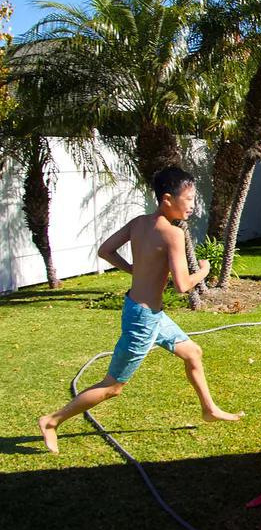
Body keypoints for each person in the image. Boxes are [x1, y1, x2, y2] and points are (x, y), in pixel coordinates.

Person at [38, 166, 242, 454]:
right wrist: (205, 271)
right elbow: (182, 285)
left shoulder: (138, 223)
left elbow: (105, 250)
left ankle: (209, 409)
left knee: (193, 352)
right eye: (190, 199)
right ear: (168, 198)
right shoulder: (172, 234)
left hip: (145, 311)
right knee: (113, 386)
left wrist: (134, 270)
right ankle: (52, 421)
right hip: (143, 320)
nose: (193, 205)